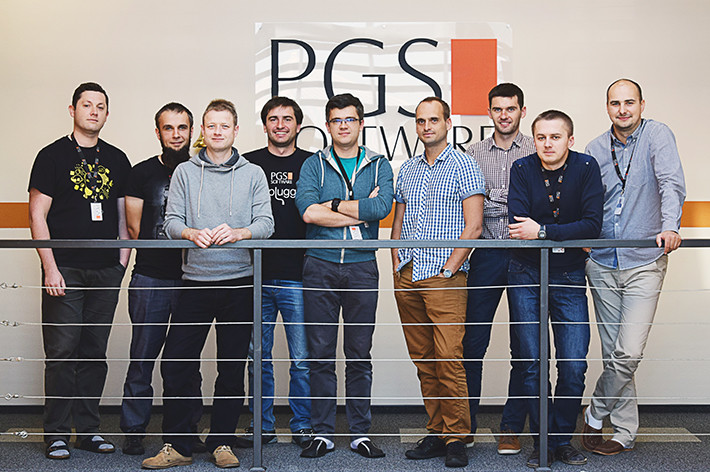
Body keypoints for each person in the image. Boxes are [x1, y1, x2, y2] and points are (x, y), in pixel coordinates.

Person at [142, 99, 274, 469]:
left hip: (239, 283)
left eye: (224, 125)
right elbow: (170, 222)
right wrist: (189, 233)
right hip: (195, 282)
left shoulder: (253, 173)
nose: (217, 131)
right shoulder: (185, 172)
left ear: (236, 131)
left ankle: (222, 442)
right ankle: (179, 445)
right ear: (203, 131)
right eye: (211, 125)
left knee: (231, 368)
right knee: (177, 365)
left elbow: (266, 224)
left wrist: (239, 233)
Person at [582, 79, 686, 456]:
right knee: (613, 352)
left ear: (642, 104)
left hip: (644, 261)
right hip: (602, 262)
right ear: (607, 107)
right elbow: (589, 200)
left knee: (628, 352)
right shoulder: (595, 148)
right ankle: (624, 432)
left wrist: (671, 226)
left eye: (629, 102)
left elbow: (671, 183)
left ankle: (595, 413)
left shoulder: (657, 136)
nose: (622, 109)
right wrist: (586, 237)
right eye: (615, 103)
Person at [28, 82, 131, 460]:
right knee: (62, 352)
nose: (94, 111)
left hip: (105, 271)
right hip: (65, 270)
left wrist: (121, 264)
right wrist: (50, 268)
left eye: (100, 106)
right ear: (72, 110)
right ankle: (56, 433)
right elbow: (37, 214)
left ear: (107, 114)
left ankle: (88, 431)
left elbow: (122, 218)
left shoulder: (117, 158)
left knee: (93, 352)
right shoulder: (51, 156)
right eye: (87, 105)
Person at [294, 93, 393, 459]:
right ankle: (322, 433)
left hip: (361, 267)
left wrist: (333, 205)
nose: (343, 126)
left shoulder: (378, 164)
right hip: (319, 265)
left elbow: (381, 208)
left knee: (359, 353)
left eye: (350, 119)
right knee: (320, 353)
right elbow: (308, 212)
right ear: (328, 125)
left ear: (361, 123)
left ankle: (359, 433)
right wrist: (358, 212)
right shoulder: (314, 164)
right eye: (336, 120)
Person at [391, 97, 484, 469]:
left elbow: (474, 226)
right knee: (424, 360)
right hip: (408, 274)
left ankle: (457, 437)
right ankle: (436, 431)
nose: (426, 126)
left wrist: (450, 268)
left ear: (448, 123)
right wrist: (396, 261)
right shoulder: (408, 169)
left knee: (448, 358)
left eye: (433, 119)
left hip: (444, 277)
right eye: (420, 121)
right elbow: (398, 220)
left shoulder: (464, 164)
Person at [507, 110, 603, 468]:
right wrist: (563, 232)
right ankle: (542, 443)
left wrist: (544, 231)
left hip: (570, 275)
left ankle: (562, 440)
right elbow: (519, 225)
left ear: (570, 140)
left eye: (556, 137)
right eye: (541, 137)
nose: (548, 144)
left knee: (574, 364)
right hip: (525, 274)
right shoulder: (521, 168)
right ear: (534, 140)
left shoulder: (586, 167)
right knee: (532, 364)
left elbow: (592, 225)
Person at [119, 103, 205, 456]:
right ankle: (134, 429)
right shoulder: (140, 173)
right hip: (150, 277)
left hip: (193, 278)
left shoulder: (202, 171)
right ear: (158, 132)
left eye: (182, 128)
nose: (176, 135)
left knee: (187, 361)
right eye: (168, 128)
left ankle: (186, 430)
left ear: (191, 131)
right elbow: (135, 227)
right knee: (142, 356)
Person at [463, 83, 535, 455]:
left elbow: (536, 208)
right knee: (472, 343)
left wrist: (492, 198)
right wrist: (509, 204)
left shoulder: (537, 149)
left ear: (522, 110)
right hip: (486, 255)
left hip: (527, 256)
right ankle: (465, 425)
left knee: (524, 346)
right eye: (497, 109)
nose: (504, 115)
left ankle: (510, 427)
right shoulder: (472, 154)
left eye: (511, 108)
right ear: (489, 112)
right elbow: (471, 207)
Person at [239, 96, 313, 448]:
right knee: (258, 358)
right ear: (265, 124)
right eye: (273, 118)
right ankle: (262, 426)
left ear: (298, 124)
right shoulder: (247, 163)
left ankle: (302, 425)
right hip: (256, 274)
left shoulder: (313, 163)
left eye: (287, 119)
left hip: (300, 274)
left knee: (302, 359)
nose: (280, 125)